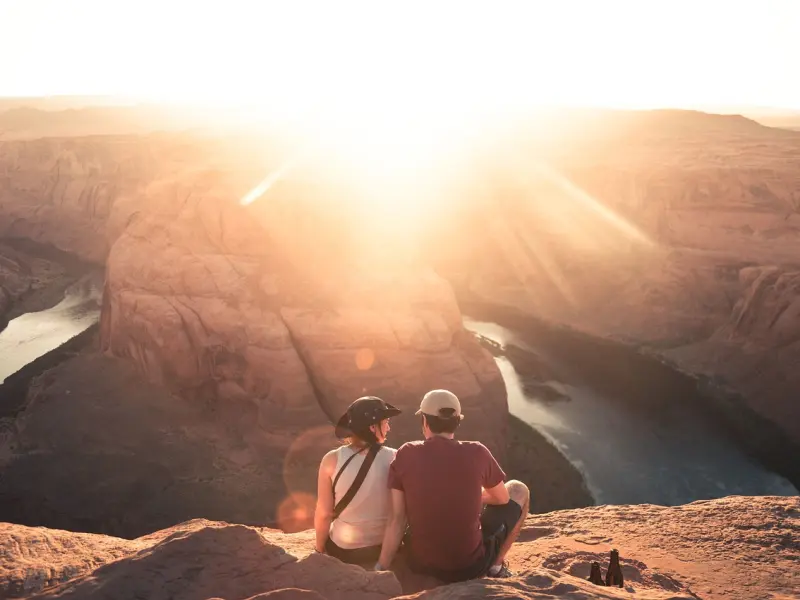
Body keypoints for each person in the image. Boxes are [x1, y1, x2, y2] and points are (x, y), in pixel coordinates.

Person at [376, 389, 530, 581]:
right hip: (468, 568)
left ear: (424, 421)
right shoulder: (478, 452)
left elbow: (397, 520)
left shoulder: (405, 453)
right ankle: (496, 568)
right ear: (457, 421)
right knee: (518, 489)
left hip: (419, 564)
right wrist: (473, 495)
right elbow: (503, 499)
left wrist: (380, 568)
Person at [314, 396, 401, 565]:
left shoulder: (331, 459)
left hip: (344, 550)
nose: (389, 428)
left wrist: (319, 548)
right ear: (372, 427)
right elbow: (397, 516)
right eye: (386, 422)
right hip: (381, 547)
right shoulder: (396, 457)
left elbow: (324, 513)